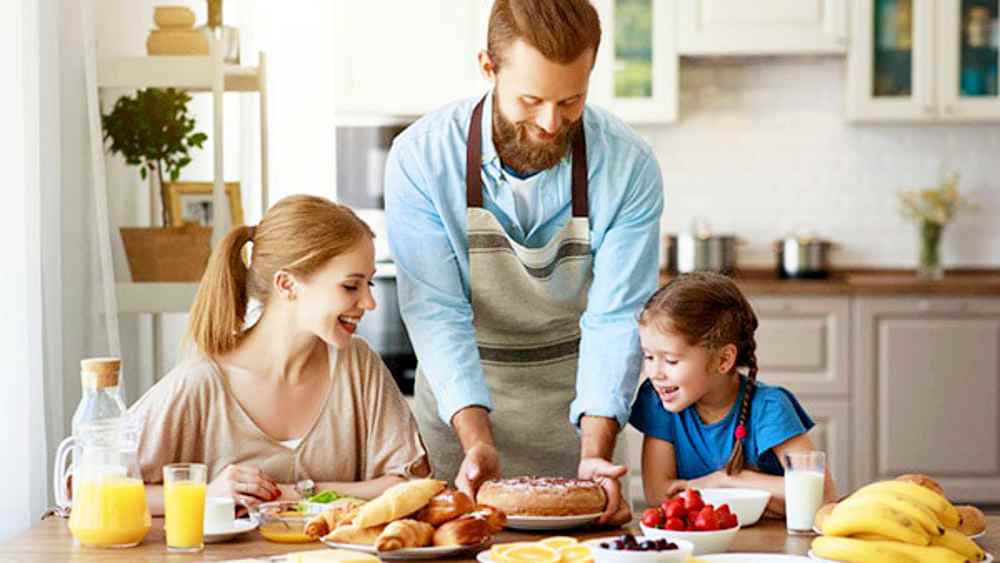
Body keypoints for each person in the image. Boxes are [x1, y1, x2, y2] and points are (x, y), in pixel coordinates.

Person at [384, 0, 663, 524]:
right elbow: (437, 313)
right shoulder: (421, 158)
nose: (551, 122)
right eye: (531, 100)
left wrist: (595, 451)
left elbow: (616, 318)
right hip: (460, 426)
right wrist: (476, 442)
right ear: (488, 67)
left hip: (580, 422)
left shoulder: (628, 164)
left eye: (571, 101)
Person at [129, 195, 430, 515]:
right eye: (351, 286)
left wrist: (295, 493)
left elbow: (411, 484)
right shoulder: (202, 381)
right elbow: (98, 488)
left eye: (369, 284)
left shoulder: (357, 364)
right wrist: (204, 495)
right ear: (287, 285)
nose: (369, 303)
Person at [629, 272, 836, 516]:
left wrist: (725, 480)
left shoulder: (770, 408)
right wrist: (770, 495)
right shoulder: (659, 401)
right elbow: (659, 495)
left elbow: (821, 495)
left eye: (671, 360)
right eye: (649, 357)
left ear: (724, 359)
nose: (654, 373)